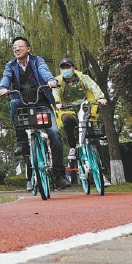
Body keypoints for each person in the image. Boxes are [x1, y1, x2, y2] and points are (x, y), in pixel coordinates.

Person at [0, 37, 70, 189]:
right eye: (14, 47)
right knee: (13, 104)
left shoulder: (37, 61)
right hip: (22, 102)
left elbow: (44, 71)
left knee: (55, 134)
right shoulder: (10, 65)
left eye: (20, 46)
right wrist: (3, 88)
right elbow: (6, 78)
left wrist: (50, 81)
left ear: (28, 48)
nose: (16, 49)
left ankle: (59, 173)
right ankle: (22, 143)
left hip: (41, 101)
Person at [52, 57, 110, 186]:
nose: (66, 70)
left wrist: (100, 97)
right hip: (67, 108)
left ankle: (101, 173)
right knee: (67, 121)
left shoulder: (83, 78)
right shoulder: (57, 81)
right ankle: (73, 147)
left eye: (68, 67)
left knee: (93, 138)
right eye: (63, 68)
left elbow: (93, 86)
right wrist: (57, 102)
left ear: (74, 68)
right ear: (60, 70)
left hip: (85, 106)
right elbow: (55, 92)